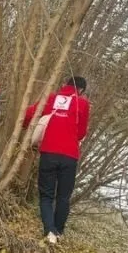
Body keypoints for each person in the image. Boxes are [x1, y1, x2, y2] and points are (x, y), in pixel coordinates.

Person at [24, 75, 90, 244]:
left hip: (48, 152)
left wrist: (23, 124)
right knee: (63, 196)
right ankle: (58, 231)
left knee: (46, 195)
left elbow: (31, 113)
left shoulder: (52, 98)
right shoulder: (82, 104)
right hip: (70, 156)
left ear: (64, 84)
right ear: (81, 90)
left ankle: (49, 231)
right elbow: (82, 133)